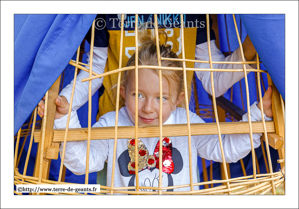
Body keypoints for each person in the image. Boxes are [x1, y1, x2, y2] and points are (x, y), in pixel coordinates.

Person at [53, 32, 272, 192]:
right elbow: (82, 163)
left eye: (162, 98)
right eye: (137, 95)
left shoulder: (186, 121)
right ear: (122, 92)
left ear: (179, 99)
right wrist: (64, 118)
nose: (148, 108)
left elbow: (226, 149)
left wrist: (259, 114)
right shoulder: (111, 123)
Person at [38, 14, 257, 119]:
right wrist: (65, 100)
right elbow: (94, 71)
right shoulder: (106, 13)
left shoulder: (193, 13)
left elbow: (214, 80)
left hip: (177, 132)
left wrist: (248, 52)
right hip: (114, 130)